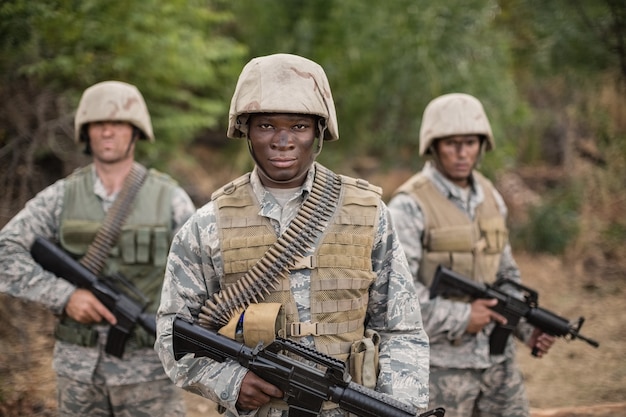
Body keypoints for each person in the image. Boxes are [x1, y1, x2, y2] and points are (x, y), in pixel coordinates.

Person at [155, 53, 430, 417]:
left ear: (318, 131)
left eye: (298, 126)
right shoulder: (206, 226)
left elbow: (401, 330)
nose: (282, 140)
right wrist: (231, 384)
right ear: (246, 131)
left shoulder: (369, 214)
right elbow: (171, 334)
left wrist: (398, 407)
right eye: (266, 125)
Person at [0, 80, 196, 417]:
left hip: (147, 369)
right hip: (78, 370)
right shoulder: (61, 196)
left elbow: (201, 272)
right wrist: (64, 296)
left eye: (118, 123)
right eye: (98, 124)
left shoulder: (170, 198)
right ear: (86, 133)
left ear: (135, 132)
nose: (107, 132)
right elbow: (6, 252)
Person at [388, 93, 556, 417]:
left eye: (470, 142)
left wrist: (526, 327)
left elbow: (506, 273)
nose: (462, 153)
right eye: (452, 143)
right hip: (440, 368)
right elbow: (397, 300)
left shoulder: (490, 196)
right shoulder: (409, 205)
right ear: (433, 146)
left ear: (482, 145)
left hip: (498, 365)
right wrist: (463, 318)